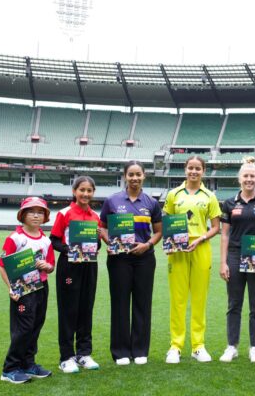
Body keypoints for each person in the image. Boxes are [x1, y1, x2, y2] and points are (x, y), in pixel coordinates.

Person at [99, 161, 163, 366]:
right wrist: (111, 242)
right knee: (120, 303)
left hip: (144, 258)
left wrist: (147, 245)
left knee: (142, 304)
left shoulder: (151, 203)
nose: (134, 178)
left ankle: (140, 350)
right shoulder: (112, 201)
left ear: (144, 176)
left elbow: (159, 231)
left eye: (138, 174)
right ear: (125, 176)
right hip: (119, 259)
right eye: (131, 174)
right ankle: (120, 352)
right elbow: (103, 228)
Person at [163, 156, 221, 364]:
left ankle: (198, 346)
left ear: (203, 171)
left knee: (199, 299)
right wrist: (169, 243)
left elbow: (215, 226)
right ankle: (175, 346)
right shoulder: (173, 194)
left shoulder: (210, 196)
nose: (193, 172)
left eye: (198, 168)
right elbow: (166, 221)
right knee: (177, 300)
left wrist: (202, 238)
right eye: (190, 168)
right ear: (185, 170)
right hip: (177, 251)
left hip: (201, 248)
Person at [218, 157, 255, 363]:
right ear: (239, 179)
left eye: (252, 176)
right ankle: (231, 346)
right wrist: (223, 262)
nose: (249, 179)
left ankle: (254, 347)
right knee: (234, 303)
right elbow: (224, 234)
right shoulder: (229, 203)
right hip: (234, 255)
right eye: (245, 176)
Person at [0, 197, 55, 384]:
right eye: (31, 211)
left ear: (45, 216)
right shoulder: (16, 238)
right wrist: (10, 289)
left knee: (36, 325)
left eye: (40, 212)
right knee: (23, 328)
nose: (36, 215)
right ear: (22, 214)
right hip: (22, 290)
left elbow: (51, 265)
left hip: (41, 287)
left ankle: (28, 363)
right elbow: (2, 265)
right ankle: (10, 368)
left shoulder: (46, 240)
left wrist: (46, 265)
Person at [50, 176, 102, 373]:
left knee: (86, 308)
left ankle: (84, 353)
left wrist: (96, 240)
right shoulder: (64, 214)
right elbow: (54, 241)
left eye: (89, 190)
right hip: (69, 266)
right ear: (74, 191)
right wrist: (69, 250)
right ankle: (66, 357)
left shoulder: (95, 216)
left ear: (93, 193)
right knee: (68, 310)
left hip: (89, 266)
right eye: (82, 190)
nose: (86, 194)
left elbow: (96, 246)